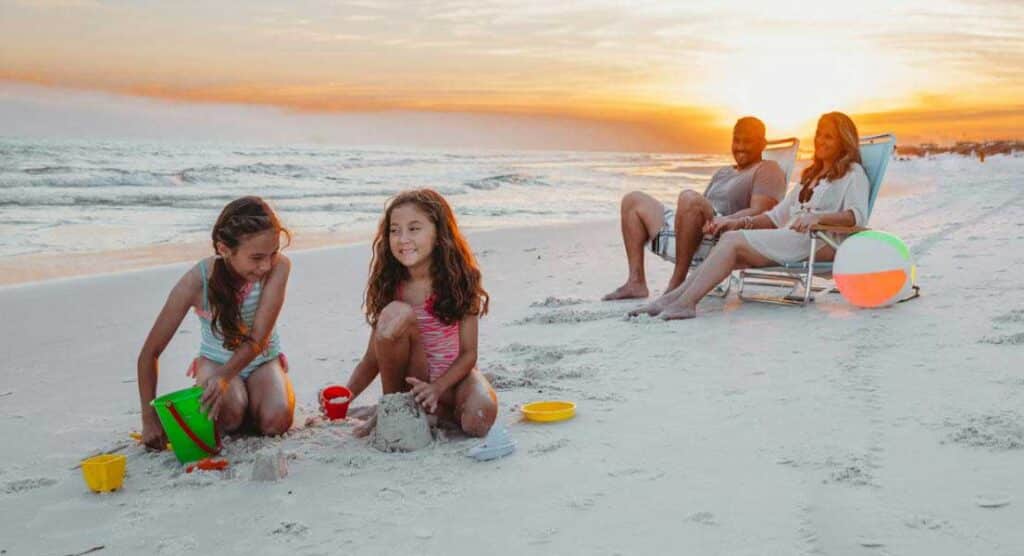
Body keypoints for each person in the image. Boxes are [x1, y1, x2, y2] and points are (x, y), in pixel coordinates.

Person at [631, 111, 869, 320]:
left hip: (818, 241)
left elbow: (857, 217)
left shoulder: (852, 173)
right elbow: (774, 217)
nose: (820, 141)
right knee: (732, 246)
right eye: (819, 134)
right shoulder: (812, 176)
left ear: (843, 142)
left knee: (733, 242)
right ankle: (674, 299)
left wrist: (819, 218)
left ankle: (685, 303)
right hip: (793, 238)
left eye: (829, 136)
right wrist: (738, 222)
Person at [137, 196, 295, 450]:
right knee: (229, 416)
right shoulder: (197, 281)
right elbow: (149, 353)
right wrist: (149, 419)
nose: (266, 265)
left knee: (275, 422)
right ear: (224, 250)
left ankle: (255, 394)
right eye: (256, 257)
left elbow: (258, 339)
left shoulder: (279, 267)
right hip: (216, 361)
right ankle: (236, 398)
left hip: (262, 358)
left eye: (272, 253)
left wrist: (225, 378)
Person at [345, 189, 497, 438]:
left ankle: (436, 413)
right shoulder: (390, 284)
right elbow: (373, 359)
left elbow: (469, 354)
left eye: (414, 229)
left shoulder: (462, 279)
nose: (402, 238)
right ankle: (393, 408)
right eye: (394, 230)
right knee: (398, 313)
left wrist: (438, 388)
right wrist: (345, 395)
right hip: (414, 384)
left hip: (453, 380)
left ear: (439, 233)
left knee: (478, 421)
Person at [603, 116, 787, 301]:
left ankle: (678, 283)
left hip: (723, 232)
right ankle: (636, 283)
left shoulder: (768, 169)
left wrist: (726, 221)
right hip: (697, 231)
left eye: (747, 141)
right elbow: (702, 204)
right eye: (736, 140)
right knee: (633, 200)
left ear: (763, 144)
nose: (740, 147)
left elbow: (761, 212)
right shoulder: (724, 172)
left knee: (688, 197)